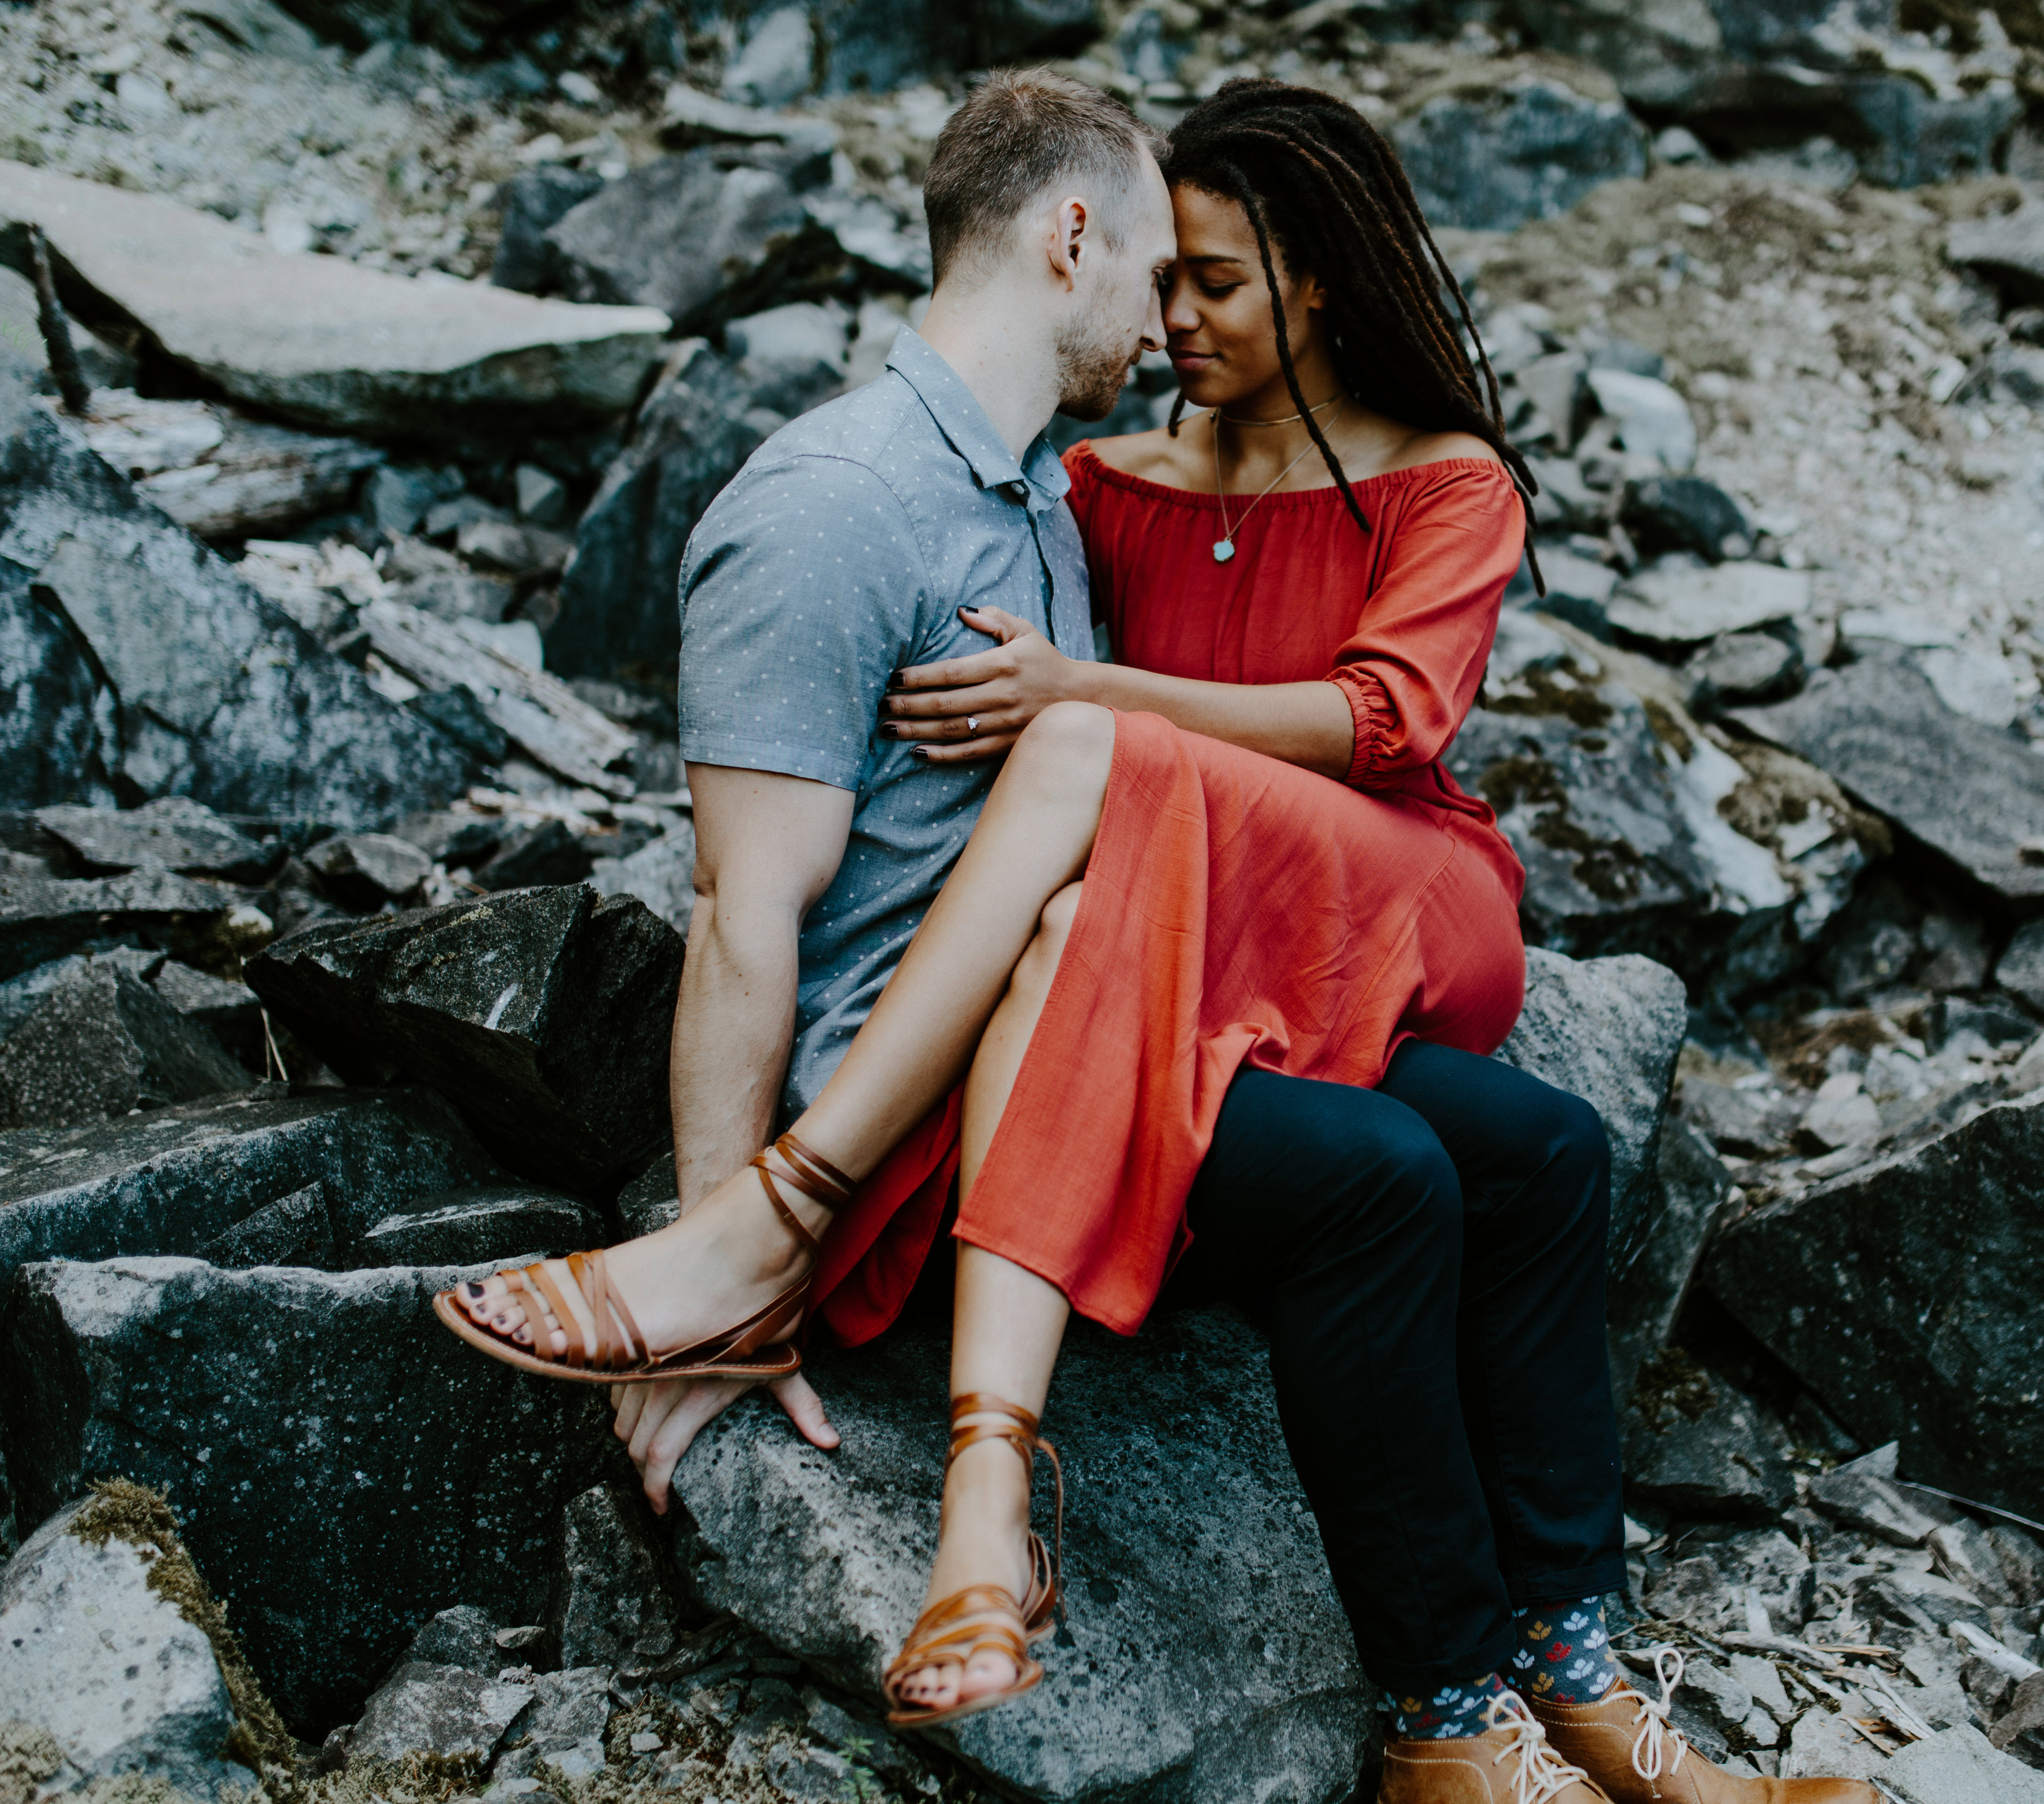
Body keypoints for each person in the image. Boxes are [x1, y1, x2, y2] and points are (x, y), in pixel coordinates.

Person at [439, 71, 1879, 1804]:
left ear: (1316, 288)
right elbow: (745, 912)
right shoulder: (891, 498)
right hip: (1014, 1055)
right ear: (1076, 241)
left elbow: (1381, 724)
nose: (1169, 317)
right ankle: (1446, 1719)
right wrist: (713, 1271)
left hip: (1226, 951)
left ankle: (1579, 1673)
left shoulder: (1051, 503)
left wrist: (1088, 703)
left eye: (1216, 284)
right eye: (1160, 275)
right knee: (1381, 1176)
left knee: (1541, 1146)